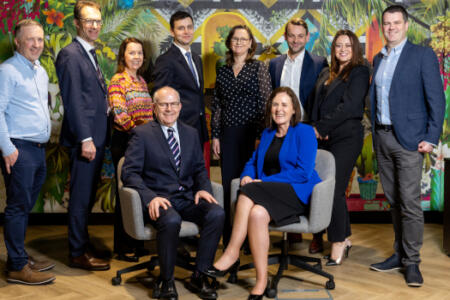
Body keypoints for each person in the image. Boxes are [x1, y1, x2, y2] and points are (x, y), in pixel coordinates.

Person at [204, 87, 321, 300]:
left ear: (294, 109)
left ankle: (232, 252)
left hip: (296, 193)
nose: (279, 109)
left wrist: (261, 181)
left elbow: (303, 173)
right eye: (275, 105)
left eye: (284, 105)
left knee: (249, 189)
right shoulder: (267, 133)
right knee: (257, 214)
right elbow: (252, 161)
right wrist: (248, 175)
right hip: (268, 193)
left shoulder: (305, 132)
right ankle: (261, 280)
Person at [121, 86, 225, 300]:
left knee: (216, 213)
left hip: (186, 198)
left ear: (180, 106)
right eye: (163, 104)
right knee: (171, 220)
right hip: (159, 200)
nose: (169, 109)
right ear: (154, 107)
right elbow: (129, 173)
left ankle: (199, 274)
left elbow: (198, 169)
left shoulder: (190, 132)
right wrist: (150, 197)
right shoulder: (142, 134)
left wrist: (204, 190)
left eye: (173, 104)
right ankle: (166, 280)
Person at [369, 5, 445, 287]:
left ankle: (412, 262)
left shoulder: (422, 55)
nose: (390, 28)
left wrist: (431, 136)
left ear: (406, 25)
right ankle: (399, 254)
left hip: (411, 141)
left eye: (396, 23)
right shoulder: (379, 58)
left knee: (410, 203)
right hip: (383, 138)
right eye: (386, 24)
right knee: (394, 201)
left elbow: (437, 100)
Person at [55, 0, 110, 270]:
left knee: (87, 196)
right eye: (89, 21)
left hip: (96, 137)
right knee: (80, 197)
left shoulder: (89, 52)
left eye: (98, 21)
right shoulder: (70, 54)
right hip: (85, 140)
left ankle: (82, 242)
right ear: (77, 23)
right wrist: (85, 139)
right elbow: (74, 100)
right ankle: (77, 253)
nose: (95, 26)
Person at [307, 29, 370, 265]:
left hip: (346, 137)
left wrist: (320, 127)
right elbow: (315, 104)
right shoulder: (327, 72)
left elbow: (351, 107)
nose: (342, 50)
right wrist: (315, 128)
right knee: (331, 188)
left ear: (355, 49)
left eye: (348, 46)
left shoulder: (360, 71)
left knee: (333, 190)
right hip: (324, 138)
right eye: (338, 46)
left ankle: (337, 243)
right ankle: (345, 238)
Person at [0, 19, 55, 285]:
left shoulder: (40, 71)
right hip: (19, 148)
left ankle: (17, 257)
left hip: (37, 149)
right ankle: (17, 268)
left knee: (24, 207)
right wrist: (7, 148)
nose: (36, 44)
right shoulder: (7, 70)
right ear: (18, 42)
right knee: (17, 207)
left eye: (40, 39)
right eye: (31, 39)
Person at [269, 17, 328, 252]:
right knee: (284, 175)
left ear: (307, 37)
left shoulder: (319, 63)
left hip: (306, 129)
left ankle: (317, 234)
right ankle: (290, 229)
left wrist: (319, 127)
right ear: (285, 37)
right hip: (282, 130)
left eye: (300, 36)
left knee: (310, 179)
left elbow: (322, 99)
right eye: (291, 35)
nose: (295, 40)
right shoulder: (274, 64)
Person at [211, 24, 272, 245]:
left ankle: (249, 238)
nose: (239, 42)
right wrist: (215, 135)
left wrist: (261, 136)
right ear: (229, 43)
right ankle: (230, 238)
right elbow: (217, 105)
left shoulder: (258, 68)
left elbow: (266, 103)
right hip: (228, 135)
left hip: (252, 135)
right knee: (230, 185)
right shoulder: (223, 70)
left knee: (248, 183)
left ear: (250, 44)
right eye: (235, 39)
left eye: (243, 39)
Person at [108, 37, 153, 261]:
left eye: (139, 53)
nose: (136, 57)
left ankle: (137, 241)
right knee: (125, 193)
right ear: (123, 56)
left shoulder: (142, 81)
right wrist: (141, 135)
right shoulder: (118, 81)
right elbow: (120, 113)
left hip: (142, 143)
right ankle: (122, 246)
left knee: (140, 192)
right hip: (125, 141)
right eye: (131, 53)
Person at [151, 11, 208, 147]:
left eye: (189, 27)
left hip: (198, 128)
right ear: (172, 32)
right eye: (181, 28)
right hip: (178, 129)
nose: (186, 31)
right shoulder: (165, 60)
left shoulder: (196, 58)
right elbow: (159, 99)